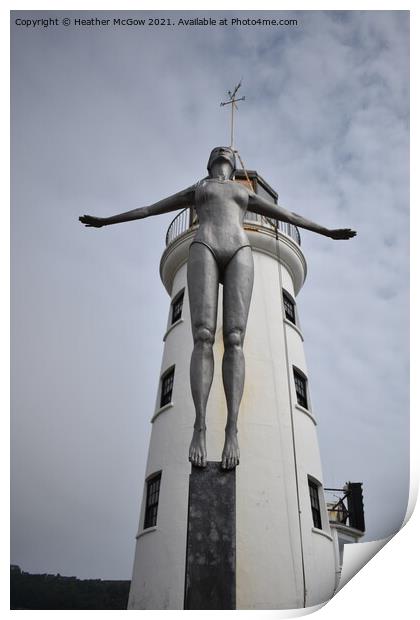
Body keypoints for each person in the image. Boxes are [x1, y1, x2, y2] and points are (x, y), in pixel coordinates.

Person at [80, 146, 356, 470]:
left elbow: (290, 217)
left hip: (240, 247)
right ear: (211, 161)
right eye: (220, 152)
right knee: (203, 335)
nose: (226, 153)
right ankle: (199, 426)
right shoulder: (199, 189)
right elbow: (148, 209)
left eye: (228, 153)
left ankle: (232, 430)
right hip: (204, 244)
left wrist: (327, 231)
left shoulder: (242, 192)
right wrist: (106, 221)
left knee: (236, 338)